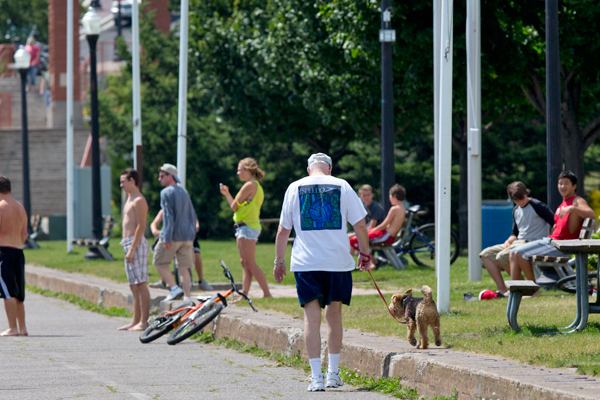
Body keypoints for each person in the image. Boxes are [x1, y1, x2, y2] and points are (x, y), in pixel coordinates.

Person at [274, 153, 370, 392]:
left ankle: (316, 376)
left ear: (309, 170)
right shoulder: (343, 185)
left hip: (306, 263)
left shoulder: (294, 187)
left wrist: (279, 261)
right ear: (329, 169)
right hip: (337, 262)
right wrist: (365, 254)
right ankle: (333, 373)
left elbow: (283, 230)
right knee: (334, 315)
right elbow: (359, 224)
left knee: (311, 318)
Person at [510, 171, 596, 296]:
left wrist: (572, 208)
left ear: (574, 186)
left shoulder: (576, 201)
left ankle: (533, 291)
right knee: (513, 252)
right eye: (560, 183)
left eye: (566, 183)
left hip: (561, 245)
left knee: (519, 253)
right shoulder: (563, 203)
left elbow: (591, 214)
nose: (563, 186)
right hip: (553, 241)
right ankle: (514, 290)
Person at [480, 182, 554, 296]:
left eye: (522, 198)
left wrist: (552, 239)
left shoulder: (537, 205)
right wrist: (508, 241)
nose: (521, 202)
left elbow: (554, 223)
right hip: (518, 242)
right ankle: (503, 290)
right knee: (486, 254)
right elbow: (515, 233)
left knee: (502, 256)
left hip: (533, 242)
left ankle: (522, 288)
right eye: (517, 200)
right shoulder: (515, 210)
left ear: (526, 193)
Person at [220, 157, 272, 299]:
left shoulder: (249, 185)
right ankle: (244, 294)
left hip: (247, 227)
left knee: (250, 263)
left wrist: (228, 195)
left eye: (239, 169)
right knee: (245, 263)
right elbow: (236, 208)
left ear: (247, 170)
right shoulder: (256, 186)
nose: (237, 173)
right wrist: (227, 194)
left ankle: (267, 294)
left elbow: (234, 206)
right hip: (246, 227)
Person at [153, 163, 197, 301]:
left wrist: (167, 237)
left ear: (170, 176)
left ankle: (174, 288)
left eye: (161, 176)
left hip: (172, 237)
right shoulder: (184, 192)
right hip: (187, 238)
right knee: (184, 268)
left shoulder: (166, 192)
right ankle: (187, 298)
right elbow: (192, 215)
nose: (159, 179)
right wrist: (191, 235)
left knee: (159, 263)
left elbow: (168, 216)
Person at [118, 168, 150, 331]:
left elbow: (141, 226)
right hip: (127, 242)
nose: (121, 184)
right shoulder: (130, 199)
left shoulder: (139, 200)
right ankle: (135, 320)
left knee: (141, 283)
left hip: (136, 244)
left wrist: (132, 249)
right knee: (133, 285)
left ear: (133, 181)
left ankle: (144, 322)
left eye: (124, 181)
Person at [149, 210, 212, 291]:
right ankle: (163, 282)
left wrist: (196, 226)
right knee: (165, 257)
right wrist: (155, 231)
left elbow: (194, 218)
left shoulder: (185, 206)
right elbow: (154, 223)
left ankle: (201, 281)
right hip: (171, 236)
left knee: (196, 254)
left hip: (187, 235)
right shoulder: (166, 209)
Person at [349, 184, 406, 270]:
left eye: (389, 196)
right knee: (355, 239)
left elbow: (383, 225)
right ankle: (368, 262)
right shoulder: (402, 208)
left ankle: (360, 265)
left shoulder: (394, 209)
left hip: (386, 236)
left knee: (354, 240)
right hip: (387, 235)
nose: (389, 198)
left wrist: (371, 231)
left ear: (393, 196)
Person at [0, 176, 29, 336]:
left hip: (4, 252)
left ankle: (12, 328)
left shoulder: (1, 207)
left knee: (7, 291)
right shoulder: (20, 207)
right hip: (18, 250)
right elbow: (24, 233)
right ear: (10, 188)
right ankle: (22, 327)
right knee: (18, 292)